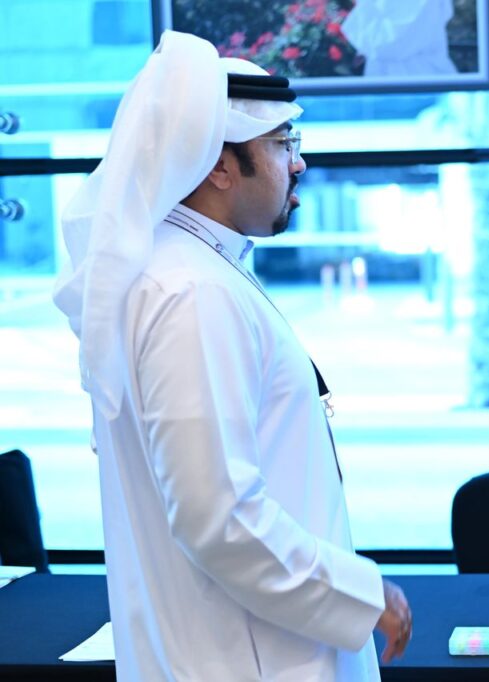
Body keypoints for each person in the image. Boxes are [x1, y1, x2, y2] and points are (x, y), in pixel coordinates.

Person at [53, 31, 411, 681]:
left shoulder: (192, 270)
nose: (299, 164)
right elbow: (218, 518)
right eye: (282, 143)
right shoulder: (190, 291)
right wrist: (360, 595)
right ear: (220, 166)